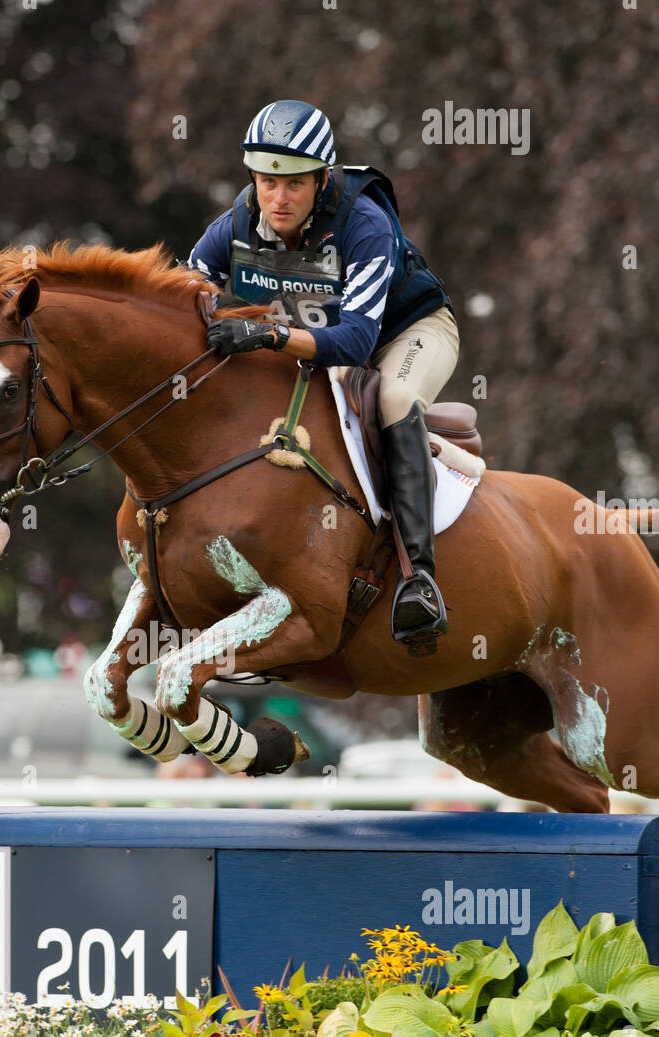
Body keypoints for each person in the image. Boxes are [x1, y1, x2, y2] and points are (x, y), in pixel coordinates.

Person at [188, 99, 460, 650]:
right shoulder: (237, 224)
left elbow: (357, 342)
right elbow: (181, 292)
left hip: (407, 335)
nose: (278, 198)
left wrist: (268, 335)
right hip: (315, 343)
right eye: (267, 181)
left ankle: (420, 581)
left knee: (395, 395)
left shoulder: (364, 223)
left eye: (294, 184)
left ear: (323, 177)